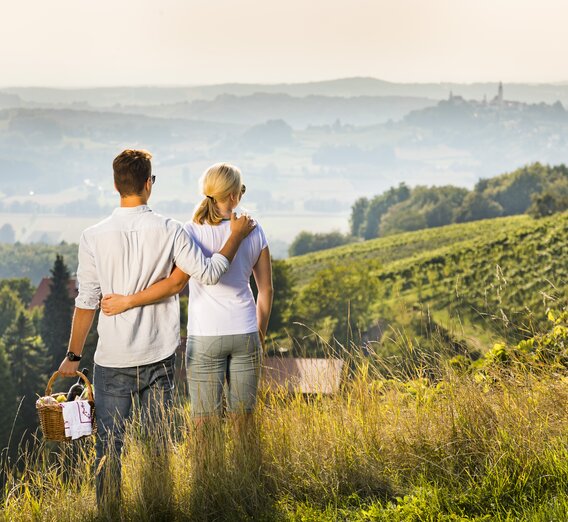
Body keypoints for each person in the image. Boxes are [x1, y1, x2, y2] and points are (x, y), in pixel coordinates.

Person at [57, 150, 255, 511]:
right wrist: (236, 237)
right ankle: (159, 508)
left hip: (111, 359)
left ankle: (109, 514)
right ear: (149, 184)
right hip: (159, 355)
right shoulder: (171, 230)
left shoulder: (92, 236)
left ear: (116, 185)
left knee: (109, 450)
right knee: (159, 445)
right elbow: (209, 273)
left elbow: (87, 301)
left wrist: (72, 356)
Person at [101, 162, 273, 427]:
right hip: (245, 330)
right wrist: (259, 333)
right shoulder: (253, 229)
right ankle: (245, 468)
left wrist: (127, 300)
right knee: (245, 423)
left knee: (204, 424)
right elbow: (266, 290)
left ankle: (206, 469)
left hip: (205, 336)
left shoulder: (190, 232)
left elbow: (175, 283)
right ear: (233, 195)